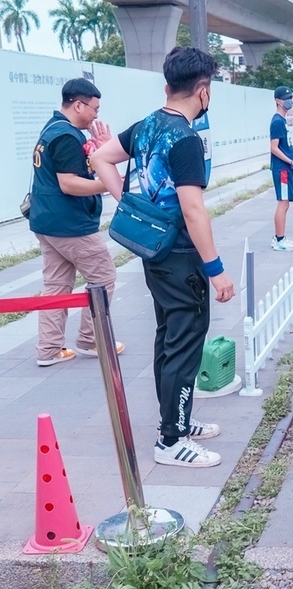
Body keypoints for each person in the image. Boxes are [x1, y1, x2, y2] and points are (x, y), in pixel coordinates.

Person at [91, 47, 235, 468]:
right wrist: (216, 270)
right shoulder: (186, 139)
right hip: (182, 254)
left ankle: (177, 420)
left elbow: (100, 157)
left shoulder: (146, 125)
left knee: (169, 336)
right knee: (185, 341)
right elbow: (193, 210)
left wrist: (134, 206)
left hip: (153, 251)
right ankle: (170, 441)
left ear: (168, 85)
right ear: (203, 92)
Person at [29, 78, 123, 367]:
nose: (96, 114)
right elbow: (69, 184)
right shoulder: (68, 136)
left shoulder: (52, 129)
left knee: (56, 285)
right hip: (70, 225)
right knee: (103, 277)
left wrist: (97, 153)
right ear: (78, 104)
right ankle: (91, 340)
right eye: (94, 108)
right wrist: (107, 183)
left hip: (47, 221)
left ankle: (49, 349)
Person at [269, 85, 293, 252]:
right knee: (282, 203)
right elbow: (274, 148)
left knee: (285, 203)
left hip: (286, 168)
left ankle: (279, 237)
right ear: (278, 101)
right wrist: (291, 162)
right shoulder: (277, 121)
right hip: (282, 169)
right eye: (286, 99)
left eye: (291, 98)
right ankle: (279, 240)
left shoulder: (282, 120)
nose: (289, 102)